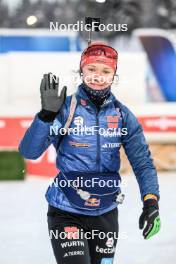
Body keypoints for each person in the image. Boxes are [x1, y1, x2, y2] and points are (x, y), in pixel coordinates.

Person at [18, 42, 161, 264]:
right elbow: (29, 151)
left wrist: (151, 201)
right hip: (65, 209)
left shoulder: (122, 115)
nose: (98, 76)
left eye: (106, 71)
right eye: (91, 69)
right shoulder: (64, 109)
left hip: (105, 211)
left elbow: (142, 163)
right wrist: (45, 116)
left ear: (114, 75)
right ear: (81, 70)